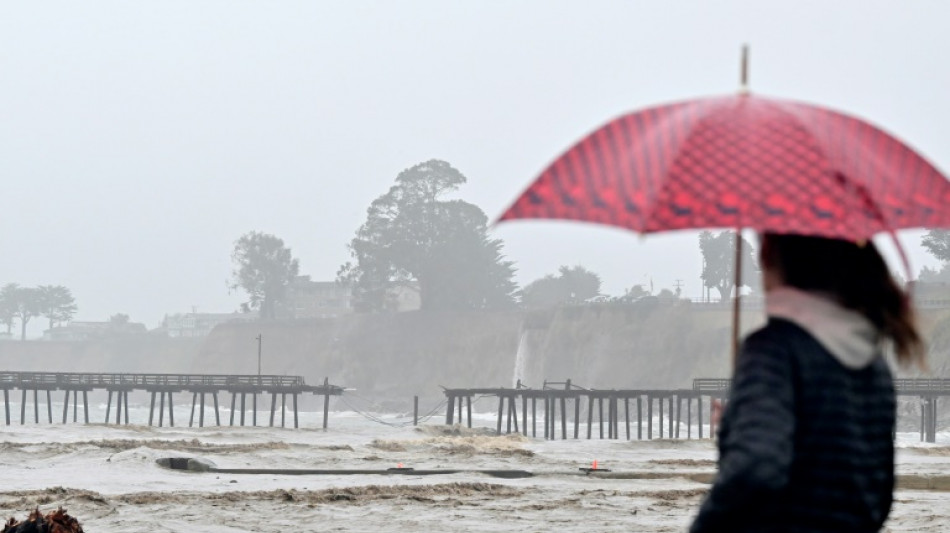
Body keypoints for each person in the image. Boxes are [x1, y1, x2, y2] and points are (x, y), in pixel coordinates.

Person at [690, 233, 923, 533]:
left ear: (772, 258)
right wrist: (740, 424)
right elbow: (877, 497)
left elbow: (756, 467)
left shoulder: (774, 348)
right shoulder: (874, 364)